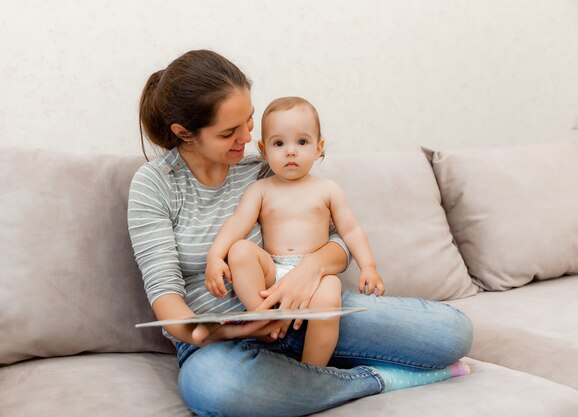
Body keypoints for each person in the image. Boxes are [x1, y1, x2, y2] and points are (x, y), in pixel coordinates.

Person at [129, 49, 473, 417]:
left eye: (248, 121)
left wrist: (309, 271)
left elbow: (338, 240)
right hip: (222, 344)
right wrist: (220, 332)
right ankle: (377, 380)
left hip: (308, 309)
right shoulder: (155, 184)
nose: (247, 137)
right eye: (229, 132)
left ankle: (296, 377)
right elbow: (165, 293)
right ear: (185, 133)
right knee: (218, 390)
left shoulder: (264, 169)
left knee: (451, 332)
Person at [204, 96, 386, 366]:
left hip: (315, 276)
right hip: (272, 271)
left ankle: (312, 368)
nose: (290, 151)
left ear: (319, 147)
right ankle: (263, 317)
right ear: (264, 150)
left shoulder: (327, 189)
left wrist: (368, 267)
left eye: (302, 142)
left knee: (330, 293)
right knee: (240, 250)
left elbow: (351, 230)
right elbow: (236, 224)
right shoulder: (261, 190)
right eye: (279, 143)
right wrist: (215, 257)